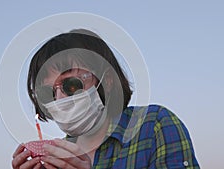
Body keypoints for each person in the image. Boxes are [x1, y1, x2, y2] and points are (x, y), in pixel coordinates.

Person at [12, 29, 200, 169]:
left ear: (107, 80)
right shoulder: (56, 161)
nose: (60, 98)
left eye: (71, 85)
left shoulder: (154, 125)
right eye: (47, 93)